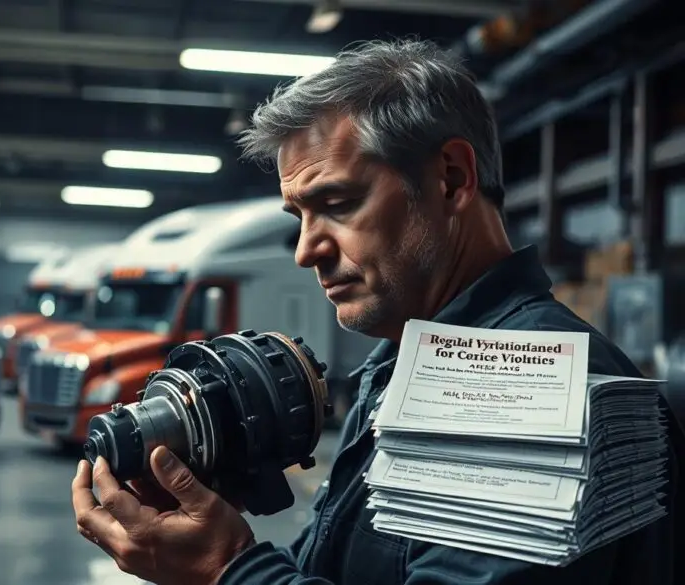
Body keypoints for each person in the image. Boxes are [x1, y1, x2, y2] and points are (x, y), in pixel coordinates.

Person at [70, 38, 679, 585]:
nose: (308, 249)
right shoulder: (405, 366)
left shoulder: (530, 390)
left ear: (450, 177)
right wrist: (210, 535)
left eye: (335, 202)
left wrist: (229, 570)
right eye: (299, 217)